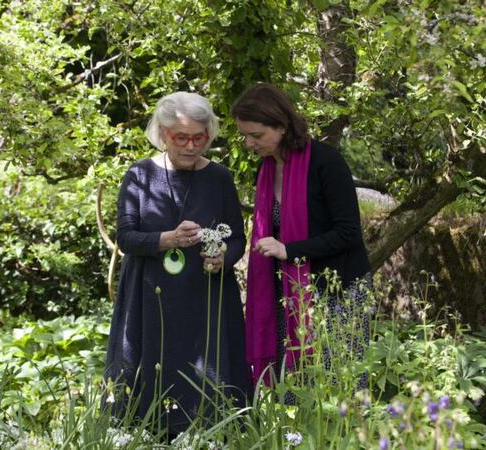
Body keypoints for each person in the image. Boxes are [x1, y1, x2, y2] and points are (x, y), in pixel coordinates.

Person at [104, 92, 251, 435]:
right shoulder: (139, 175)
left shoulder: (219, 178)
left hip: (206, 297)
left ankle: (213, 437)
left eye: (198, 137)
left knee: (208, 381)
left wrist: (223, 258)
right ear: (163, 133)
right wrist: (166, 239)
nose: (190, 146)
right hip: (150, 297)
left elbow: (238, 239)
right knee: (150, 375)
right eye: (180, 137)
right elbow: (125, 238)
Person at [231, 83, 372, 387]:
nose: (249, 143)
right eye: (245, 135)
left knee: (340, 388)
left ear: (281, 125)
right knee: (294, 388)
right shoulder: (266, 171)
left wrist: (288, 250)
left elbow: (348, 233)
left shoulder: (326, 162)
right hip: (289, 294)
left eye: (256, 135)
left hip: (338, 292)